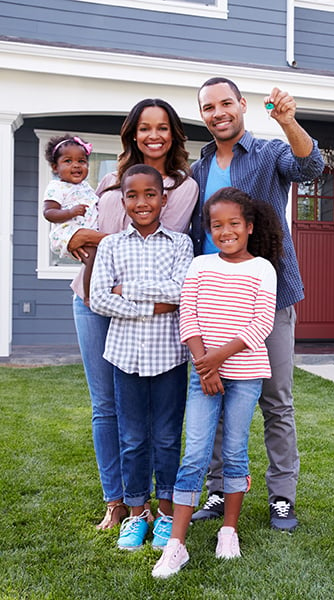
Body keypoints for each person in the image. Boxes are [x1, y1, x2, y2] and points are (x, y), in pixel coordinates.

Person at [189, 78, 325, 530]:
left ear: (242, 105)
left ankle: (281, 496)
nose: (218, 112)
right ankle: (216, 488)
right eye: (208, 107)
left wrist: (288, 121)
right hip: (212, 301)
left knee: (276, 402)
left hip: (268, 295)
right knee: (215, 394)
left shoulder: (268, 152)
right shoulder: (199, 168)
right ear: (203, 114)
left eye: (226, 102)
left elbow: (311, 166)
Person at [67, 98, 199, 531]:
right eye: (144, 128)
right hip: (90, 298)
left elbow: (160, 234)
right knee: (106, 407)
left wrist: (97, 243)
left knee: (159, 425)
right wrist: (80, 236)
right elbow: (101, 237)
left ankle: (153, 507)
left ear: (173, 134)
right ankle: (119, 502)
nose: (153, 135)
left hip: (150, 317)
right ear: (133, 133)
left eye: (163, 127)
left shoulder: (183, 186)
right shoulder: (108, 180)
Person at [152, 187, 281, 578]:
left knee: (236, 451)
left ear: (249, 226)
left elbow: (262, 324)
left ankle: (229, 530)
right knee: (195, 453)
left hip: (245, 374)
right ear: (208, 229)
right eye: (216, 225)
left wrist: (216, 361)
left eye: (234, 224)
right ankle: (177, 544)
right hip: (203, 372)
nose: (225, 231)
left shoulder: (262, 269)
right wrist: (204, 365)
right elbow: (187, 317)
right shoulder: (200, 266)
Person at [90, 164, 194, 551]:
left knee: (167, 437)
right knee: (132, 438)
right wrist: (152, 306)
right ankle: (137, 514)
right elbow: (100, 297)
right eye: (132, 195)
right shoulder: (112, 245)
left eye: (150, 194)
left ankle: (166, 514)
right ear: (122, 201)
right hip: (125, 357)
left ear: (164, 199)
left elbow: (180, 291)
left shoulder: (180, 244)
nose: (142, 202)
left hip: (169, 357)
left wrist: (127, 290)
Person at [42, 134, 98, 305]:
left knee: (97, 258)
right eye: (68, 161)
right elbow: (49, 212)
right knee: (93, 257)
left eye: (81, 161)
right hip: (66, 232)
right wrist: (70, 212)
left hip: (83, 230)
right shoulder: (56, 187)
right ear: (54, 167)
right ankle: (88, 295)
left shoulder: (86, 187)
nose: (76, 165)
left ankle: (98, 290)